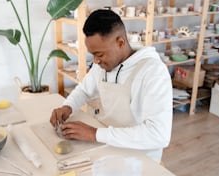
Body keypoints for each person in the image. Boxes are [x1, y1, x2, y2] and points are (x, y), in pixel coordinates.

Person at [50, 9, 173, 163]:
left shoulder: (153, 72)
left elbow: (158, 135)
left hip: (140, 156)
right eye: (93, 54)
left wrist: (94, 134)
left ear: (120, 42)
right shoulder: (103, 64)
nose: (96, 61)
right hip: (107, 143)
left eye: (100, 54)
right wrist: (67, 106)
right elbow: (84, 90)